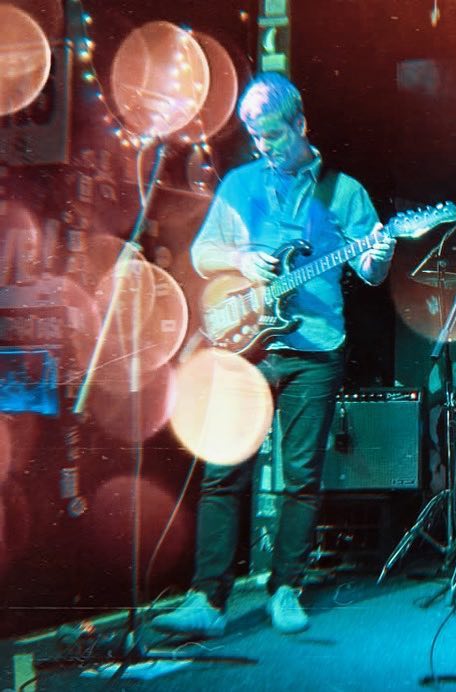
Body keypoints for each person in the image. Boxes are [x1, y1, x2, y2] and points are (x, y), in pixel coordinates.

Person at [153, 72, 395, 636]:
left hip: (315, 347)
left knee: (302, 477)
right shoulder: (240, 185)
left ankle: (286, 587)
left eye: (274, 135)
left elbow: (371, 271)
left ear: (300, 124)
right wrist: (241, 260)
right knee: (223, 469)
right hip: (245, 343)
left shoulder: (343, 192)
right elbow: (204, 252)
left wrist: (381, 251)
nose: (265, 146)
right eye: (257, 136)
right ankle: (207, 599)